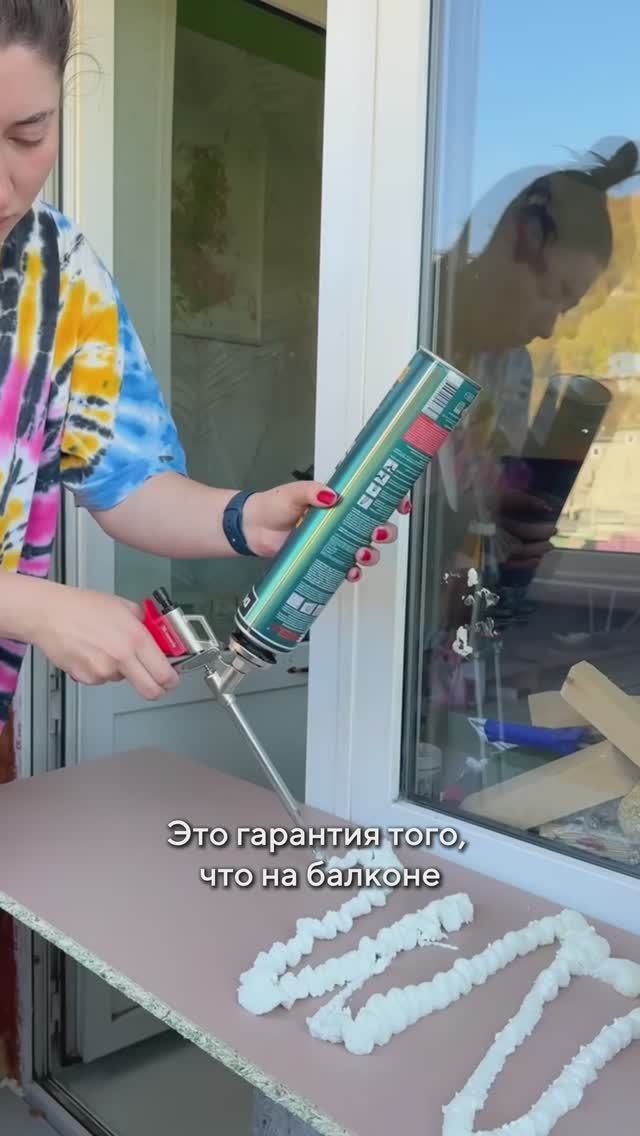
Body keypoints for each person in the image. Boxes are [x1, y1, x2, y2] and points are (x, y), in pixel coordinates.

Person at [0, 0, 405, 735]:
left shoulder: (58, 268)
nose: (4, 188)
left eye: (29, 135)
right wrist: (33, 605)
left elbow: (125, 480)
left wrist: (247, 519)